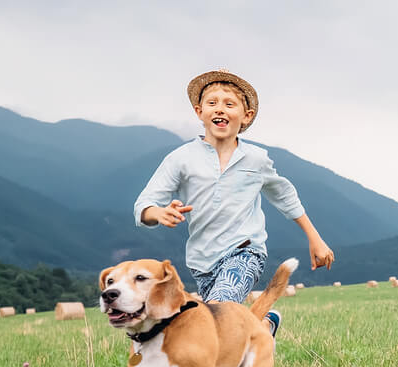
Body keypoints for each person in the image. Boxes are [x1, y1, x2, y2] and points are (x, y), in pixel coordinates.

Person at [133, 68, 334, 336]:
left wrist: (314, 237)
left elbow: (284, 195)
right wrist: (157, 213)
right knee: (220, 327)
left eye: (229, 104)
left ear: (246, 116)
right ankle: (263, 326)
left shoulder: (256, 159)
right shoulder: (180, 159)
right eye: (212, 103)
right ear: (199, 111)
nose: (220, 110)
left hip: (245, 251)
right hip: (201, 261)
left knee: (213, 314)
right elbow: (144, 204)